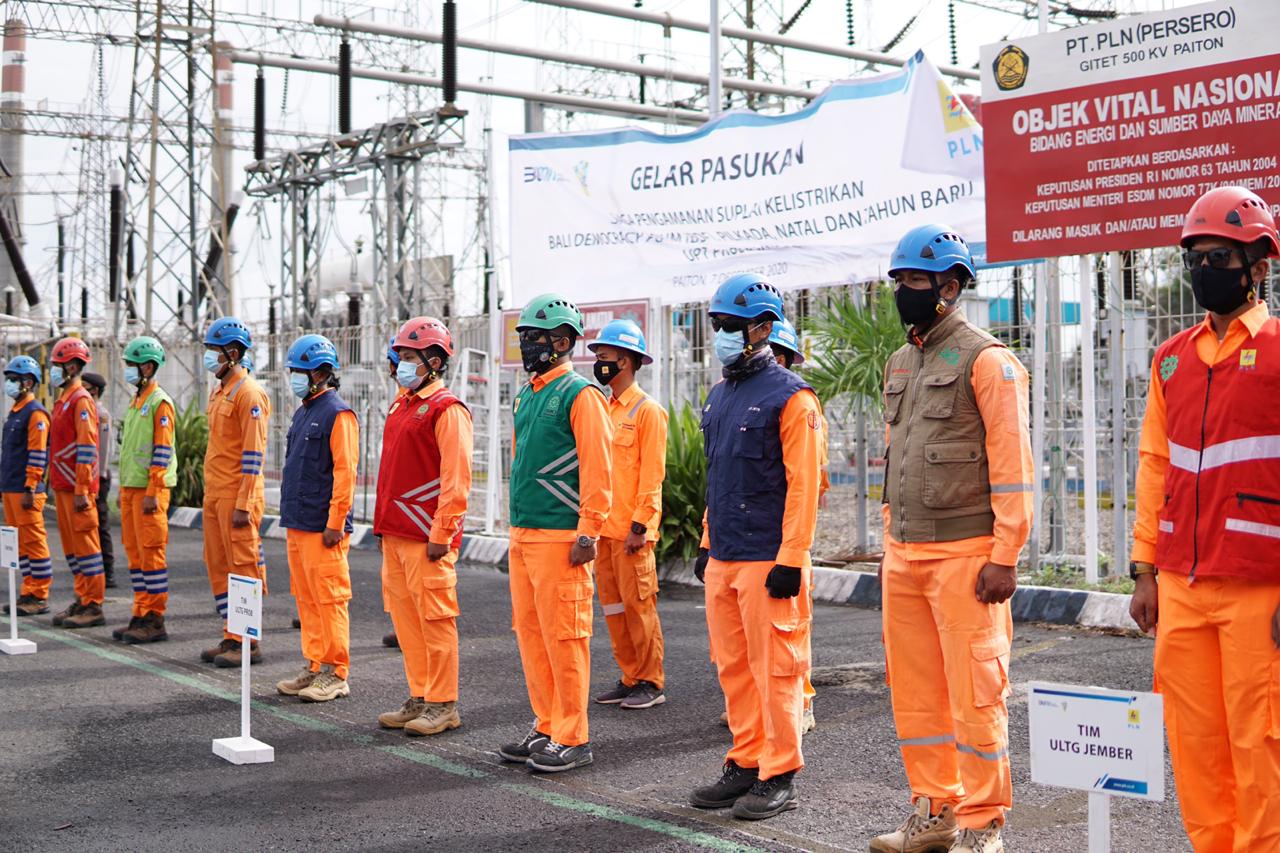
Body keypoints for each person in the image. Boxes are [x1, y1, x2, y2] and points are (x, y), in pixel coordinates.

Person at [870, 225, 1033, 853]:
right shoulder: (900, 362)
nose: (903, 292)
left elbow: (1013, 467)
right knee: (917, 697)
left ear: (950, 287)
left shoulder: (988, 361)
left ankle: (983, 822)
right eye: (899, 281)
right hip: (905, 555)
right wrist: (891, 544)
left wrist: (1004, 555)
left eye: (915, 280)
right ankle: (936, 811)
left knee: (975, 696)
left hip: (967, 557)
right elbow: (899, 458)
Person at [1129, 186, 1280, 852]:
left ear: (1258, 268)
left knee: (1260, 741)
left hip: (1258, 584)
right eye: (1195, 258)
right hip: (1181, 586)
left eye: (1220, 257)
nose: (1204, 269)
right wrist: (1143, 570)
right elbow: (1154, 466)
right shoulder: (1172, 358)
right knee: (1195, 743)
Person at [689, 273, 822, 821]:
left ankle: (779, 771)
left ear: (762, 329)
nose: (720, 333)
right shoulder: (720, 395)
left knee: (777, 672)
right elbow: (718, 476)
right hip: (725, 556)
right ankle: (746, 761)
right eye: (717, 324)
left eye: (730, 325)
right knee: (734, 668)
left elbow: (804, 486)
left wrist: (791, 559)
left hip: (769, 558)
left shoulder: (792, 396)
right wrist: (706, 541)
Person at [497, 293, 611, 773]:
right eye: (524, 337)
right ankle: (546, 723)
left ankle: (572, 736)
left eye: (535, 337)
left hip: (561, 537)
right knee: (532, 635)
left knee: (565, 637)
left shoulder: (580, 394)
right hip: (525, 533)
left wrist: (589, 532)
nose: (527, 345)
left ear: (562, 342)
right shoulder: (527, 394)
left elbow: (598, 467)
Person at [373, 317, 473, 735]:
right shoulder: (402, 404)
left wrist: (442, 533)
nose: (401, 364)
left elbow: (456, 479)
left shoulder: (447, 409)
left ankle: (443, 703)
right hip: (396, 532)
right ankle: (420, 695)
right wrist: (382, 529)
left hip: (425, 535)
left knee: (435, 620)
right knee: (408, 623)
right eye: (400, 355)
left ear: (434, 360)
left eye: (409, 356)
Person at [587, 318, 669, 711]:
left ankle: (651, 680)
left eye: (604, 356)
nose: (598, 363)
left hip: (631, 533)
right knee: (614, 610)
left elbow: (653, 475)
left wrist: (641, 525)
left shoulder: (647, 411)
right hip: (604, 531)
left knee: (639, 608)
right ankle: (630, 675)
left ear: (625, 360)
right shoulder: (602, 409)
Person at [275, 334, 358, 703]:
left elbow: (345, 472)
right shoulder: (304, 411)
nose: (295, 378)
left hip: (323, 527)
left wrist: (335, 523)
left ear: (321, 374)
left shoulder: (338, 414)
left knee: (329, 599)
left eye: (301, 372)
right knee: (307, 599)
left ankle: (335, 672)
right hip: (298, 521)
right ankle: (314, 664)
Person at [199, 316, 271, 668]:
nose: (209, 356)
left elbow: (254, 454)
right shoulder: (221, 391)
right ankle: (231, 633)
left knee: (242, 566)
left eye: (214, 350)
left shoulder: (249, 393)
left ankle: (247, 640)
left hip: (236, 496)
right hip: (216, 493)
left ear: (232, 353)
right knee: (219, 566)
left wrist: (244, 503)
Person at [767, 317, 826, 737]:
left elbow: (809, 481)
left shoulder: (799, 404)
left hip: (788, 534)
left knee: (793, 626)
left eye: (777, 354)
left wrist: (794, 544)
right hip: (751, 534)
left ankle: (801, 701)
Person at [109, 337, 177, 644]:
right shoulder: (138, 401)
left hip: (150, 491)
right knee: (135, 555)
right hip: (131, 488)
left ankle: (155, 617)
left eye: (131, 365)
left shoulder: (160, 403)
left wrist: (153, 489)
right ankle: (140, 611)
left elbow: (162, 451)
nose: (127, 370)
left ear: (148, 367)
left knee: (151, 554)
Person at [46, 338, 106, 629]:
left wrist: (83, 488)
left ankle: (93, 604)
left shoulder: (81, 400)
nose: (53, 371)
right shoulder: (64, 399)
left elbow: (86, 446)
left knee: (86, 547)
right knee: (72, 549)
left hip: (76, 488)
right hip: (63, 485)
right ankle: (82, 598)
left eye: (56, 366)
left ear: (71, 367)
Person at [0, 356, 52, 616]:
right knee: (20, 544)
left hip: (25, 490)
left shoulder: (35, 413)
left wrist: (31, 486)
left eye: (13, 379)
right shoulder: (15, 412)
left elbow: (37, 453)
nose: (8, 383)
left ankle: (39, 594)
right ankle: (27, 591)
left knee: (34, 542)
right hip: (11, 487)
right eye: (8, 379)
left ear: (28, 383)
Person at [80, 372, 116, 589]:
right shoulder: (86, 410)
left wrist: (99, 474)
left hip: (99, 477)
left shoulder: (101, 414)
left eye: (85, 386)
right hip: (90, 476)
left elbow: (103, 448)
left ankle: (108, 571)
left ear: (94, 390)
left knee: (101, 524)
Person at [382, 333, 402, 651]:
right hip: (394, 512)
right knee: (394, 581)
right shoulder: (400, 401)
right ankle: (402, 624)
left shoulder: (440, 407)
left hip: (415, 516)